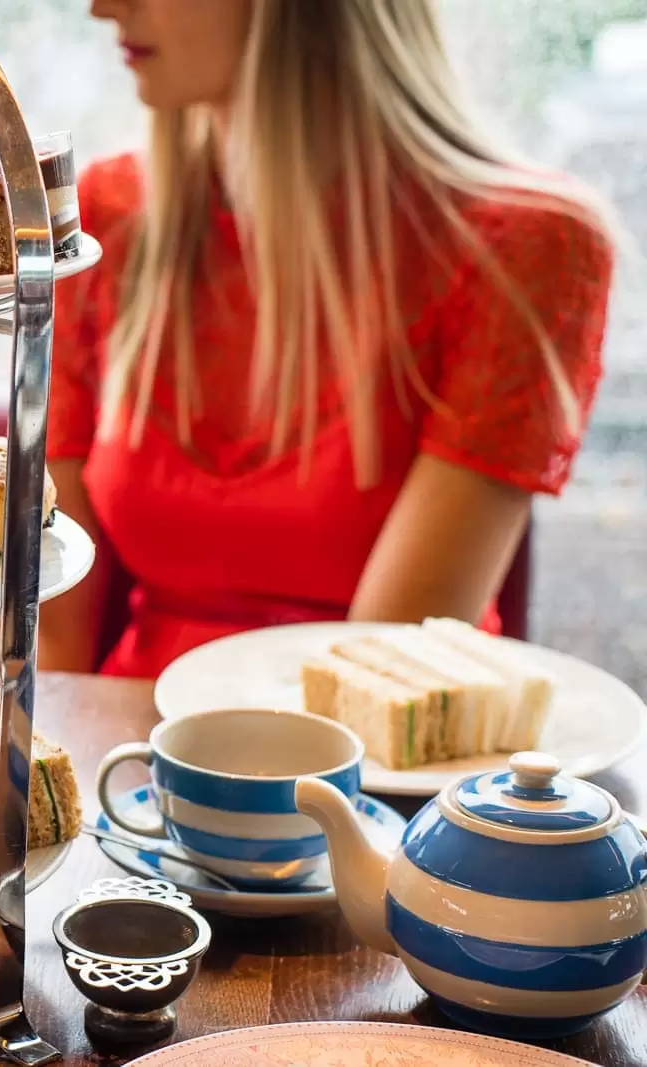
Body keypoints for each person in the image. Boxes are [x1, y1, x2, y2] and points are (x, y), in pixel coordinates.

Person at [40, 0, 616, 678]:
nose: (102, 7)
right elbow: (48, 649)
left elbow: (386, 676)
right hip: (121, 758)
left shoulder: (529, 249)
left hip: (374, 770)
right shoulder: (104, 219)